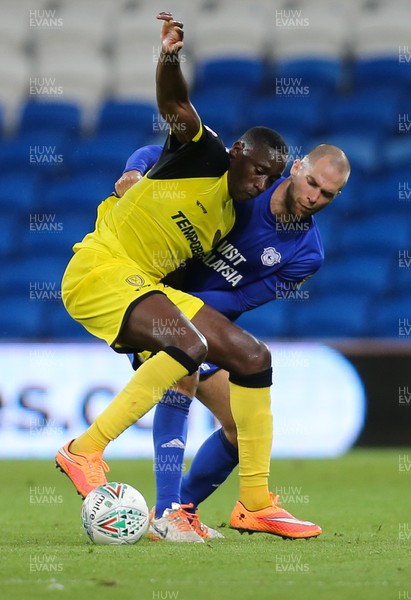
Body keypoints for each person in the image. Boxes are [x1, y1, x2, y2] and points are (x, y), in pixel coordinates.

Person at [55, 11, 290, 543]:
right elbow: (174, 105)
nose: (259, 182)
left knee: (253, 358)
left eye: (269, 178)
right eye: (255, 169)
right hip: (99, 270)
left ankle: (254, 503)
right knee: (188, 346)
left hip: (146, 287)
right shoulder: (200, 151)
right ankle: (83, 450)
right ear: (235, 154)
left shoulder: (230, 218)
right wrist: (168, 57)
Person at [114, 141, 351, 542]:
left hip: (208, 320)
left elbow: (242, 298)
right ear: (295, 168)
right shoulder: (248, 175)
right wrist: (135, 171)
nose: (313, 197)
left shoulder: (307, 254)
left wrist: (187, 307)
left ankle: (180, 510)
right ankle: (168, 510)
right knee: (183, 371)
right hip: (150, 293)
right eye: (311, 182)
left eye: (326, 194)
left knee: (243, 429)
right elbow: (160, 149)